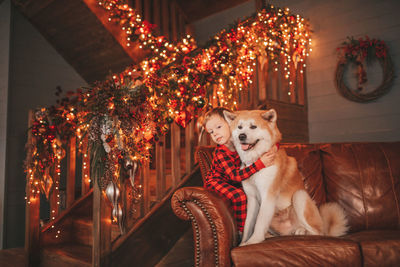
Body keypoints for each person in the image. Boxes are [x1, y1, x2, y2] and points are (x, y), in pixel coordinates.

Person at [202, 107, 278, 235]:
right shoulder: (221, 152)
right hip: (216, 181)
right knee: (240, 196)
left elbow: (272, 142)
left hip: (232, 181)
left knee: (252, 195)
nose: (215, 133)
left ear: (231, 123)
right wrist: (260, 164)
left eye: (218, 127)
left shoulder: (240, 143)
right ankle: (242, 231)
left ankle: (258, 228)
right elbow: (235, 176)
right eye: (211, 131)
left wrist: (275, 148)